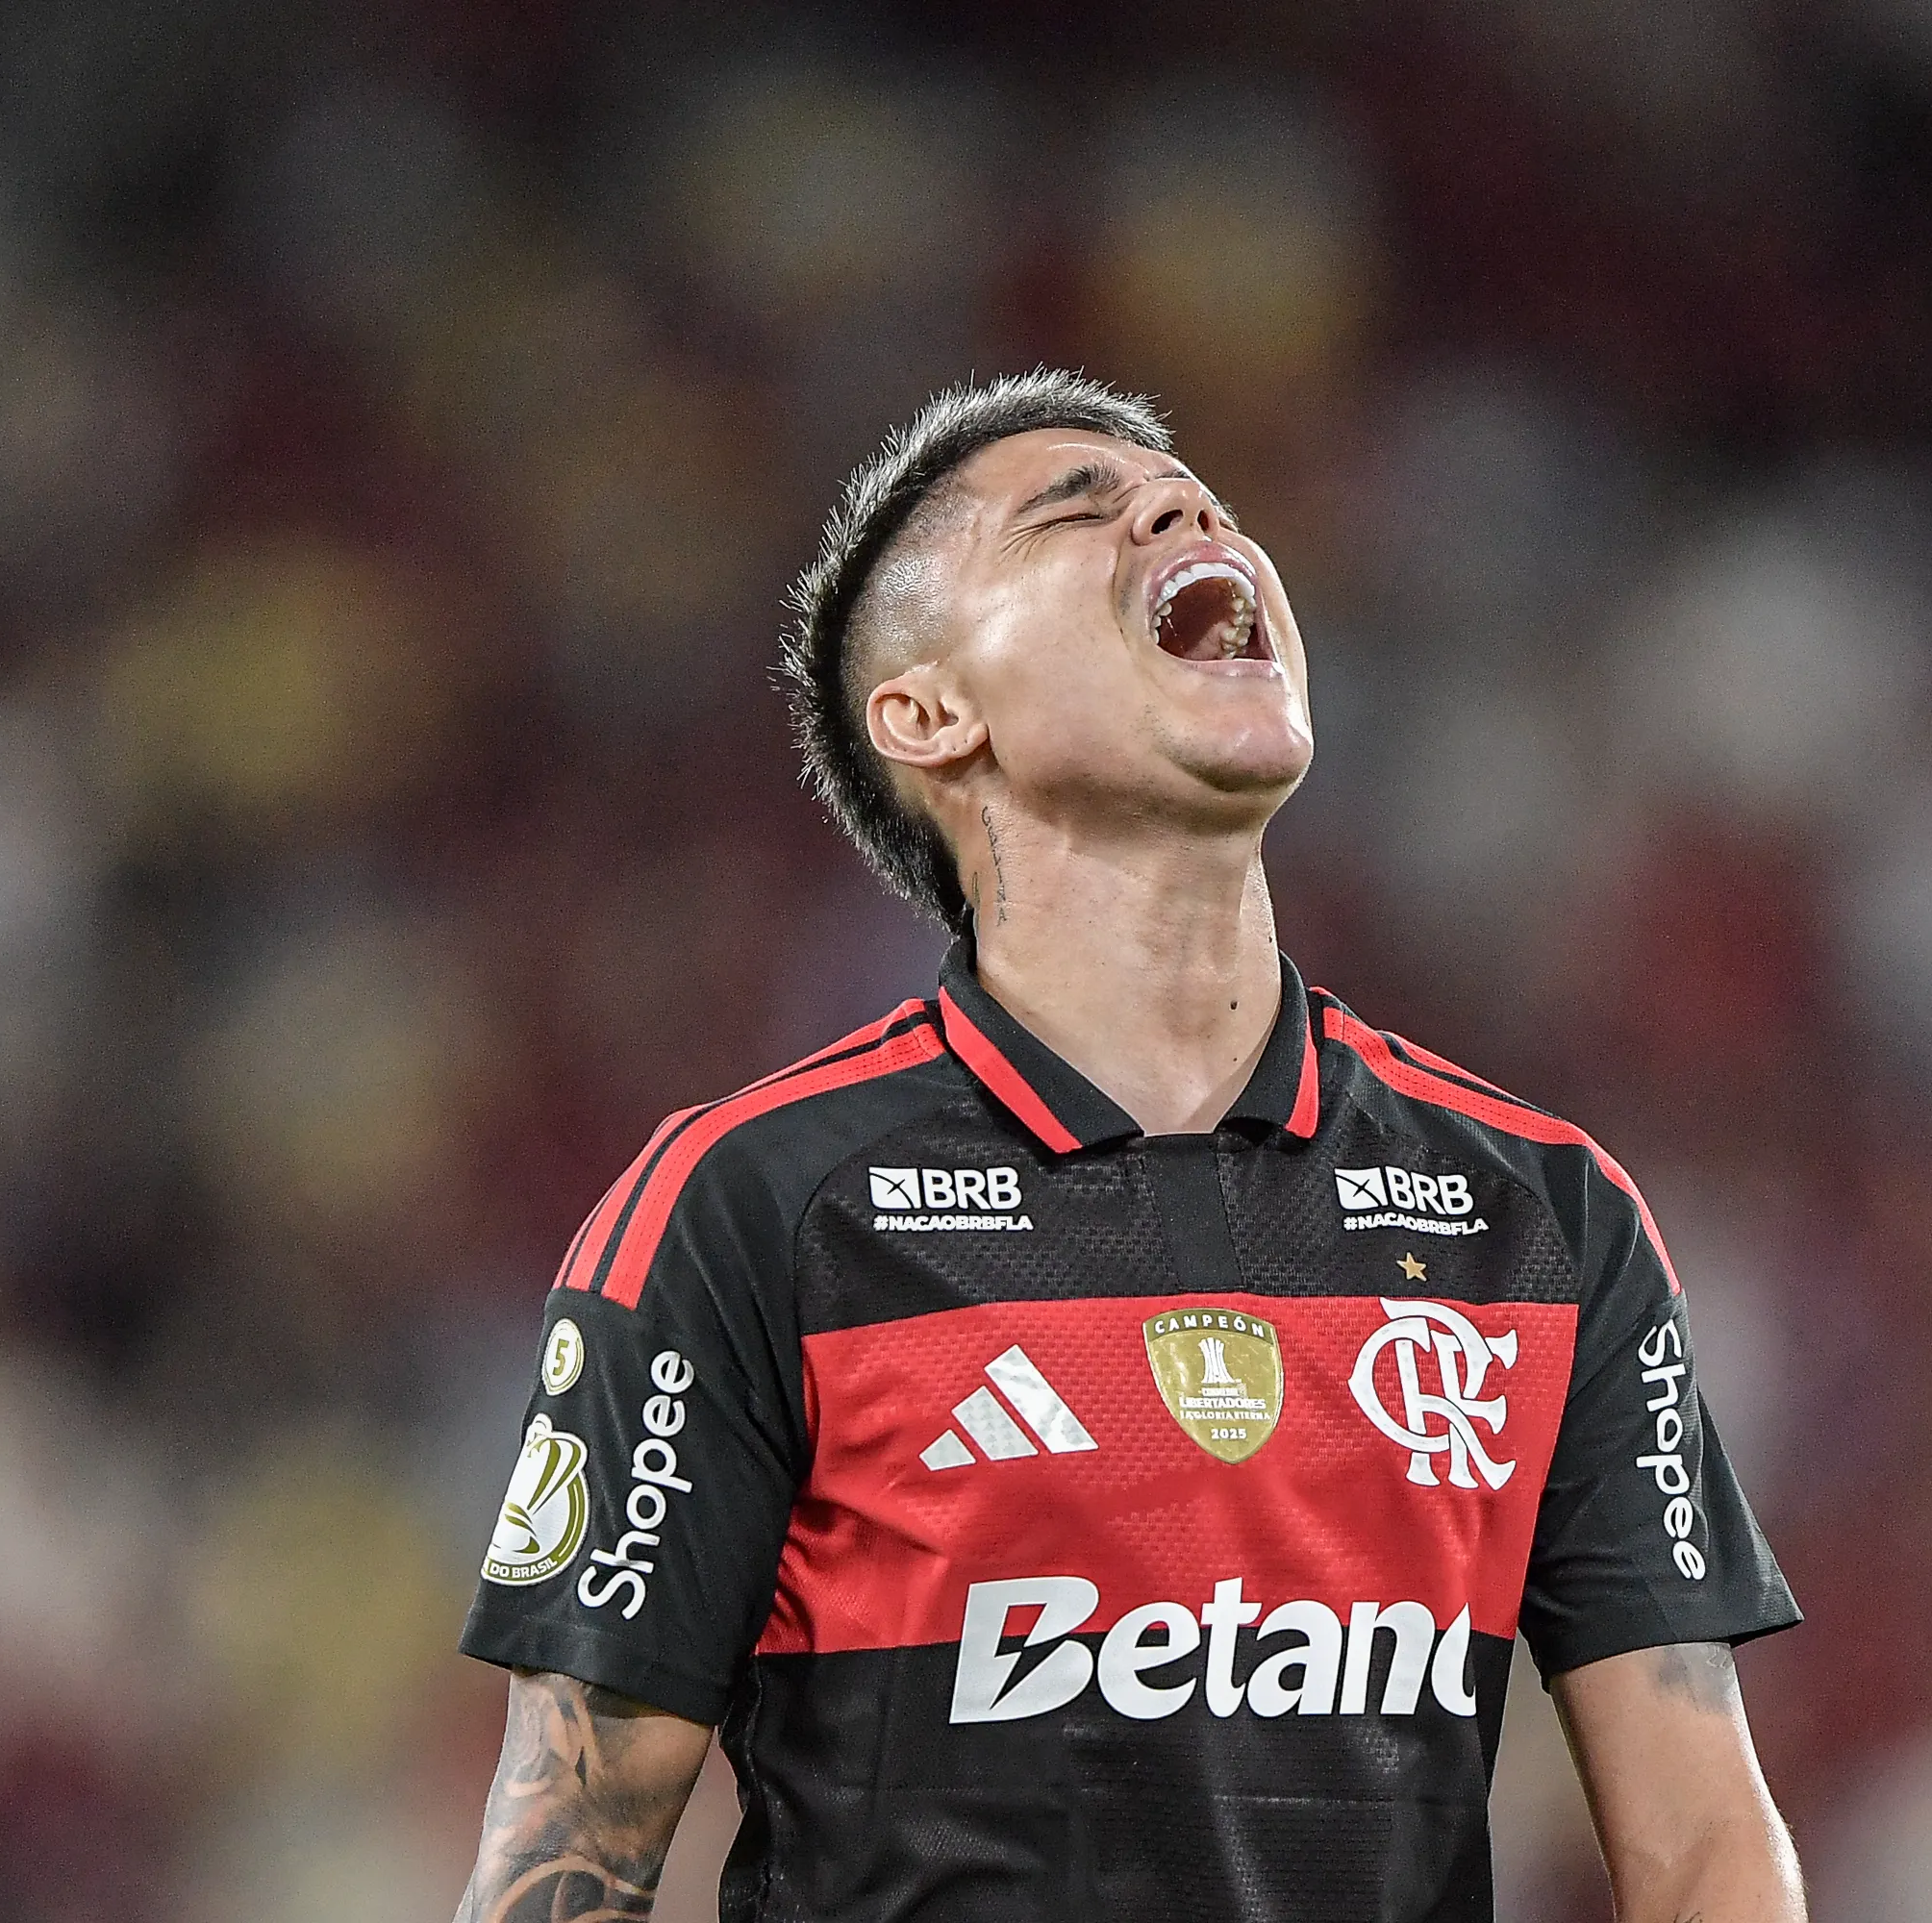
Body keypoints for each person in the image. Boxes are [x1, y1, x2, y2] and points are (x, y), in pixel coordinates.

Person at [452, 370, 1806, 1923]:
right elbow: (572, 1860)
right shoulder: (752, 1210)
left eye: (1198, 498)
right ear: (932, 712)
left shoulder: (1540, 1216)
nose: (1183, 506)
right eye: (1072, 511)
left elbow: (1704, 1844)